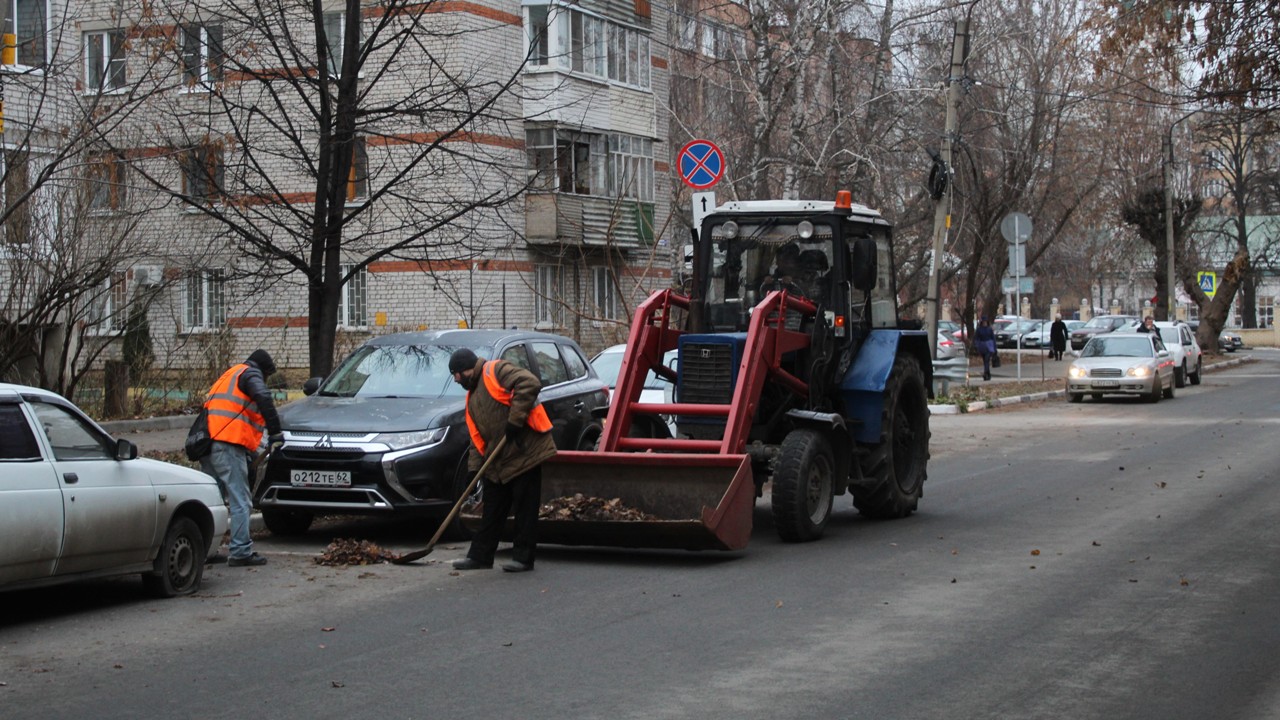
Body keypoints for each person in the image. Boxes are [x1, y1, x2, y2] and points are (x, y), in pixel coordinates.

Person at [449, 348, 557, 573]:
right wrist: (473, 470)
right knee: (492, 509)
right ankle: (480, 556)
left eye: (456, 374)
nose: (456, 379)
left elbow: (530, 382)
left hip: (525, 451)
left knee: (525, 509)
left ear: (465, 369)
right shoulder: (472, 398)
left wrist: (515, 420)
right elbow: (477, 440)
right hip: (498, 460)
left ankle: (523, 558)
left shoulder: (495, 370)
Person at [201, 349, 283, 567]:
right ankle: (240, 551)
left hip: (208, 445)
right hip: (228, 445)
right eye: (267, 376)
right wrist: (275, 431)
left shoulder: (230, 374)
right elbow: (263, 396)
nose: (265, 381)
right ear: (264, 370)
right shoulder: (250, 374)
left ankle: (204, 550)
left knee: (211, 501)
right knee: (240, 500)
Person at [974, 317, 997, 381]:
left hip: (989, 347)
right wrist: (977, 345)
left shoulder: (989, 329)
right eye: (983, 322)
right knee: (985, 361)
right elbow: (976, 338)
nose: (984, 323)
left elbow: (993, 338)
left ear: (987, 322)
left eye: (985, 322)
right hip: (982, 347)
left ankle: (986, 373)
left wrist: (995, 348)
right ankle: (988, 374)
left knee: (987, 360)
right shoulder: (979, 330)